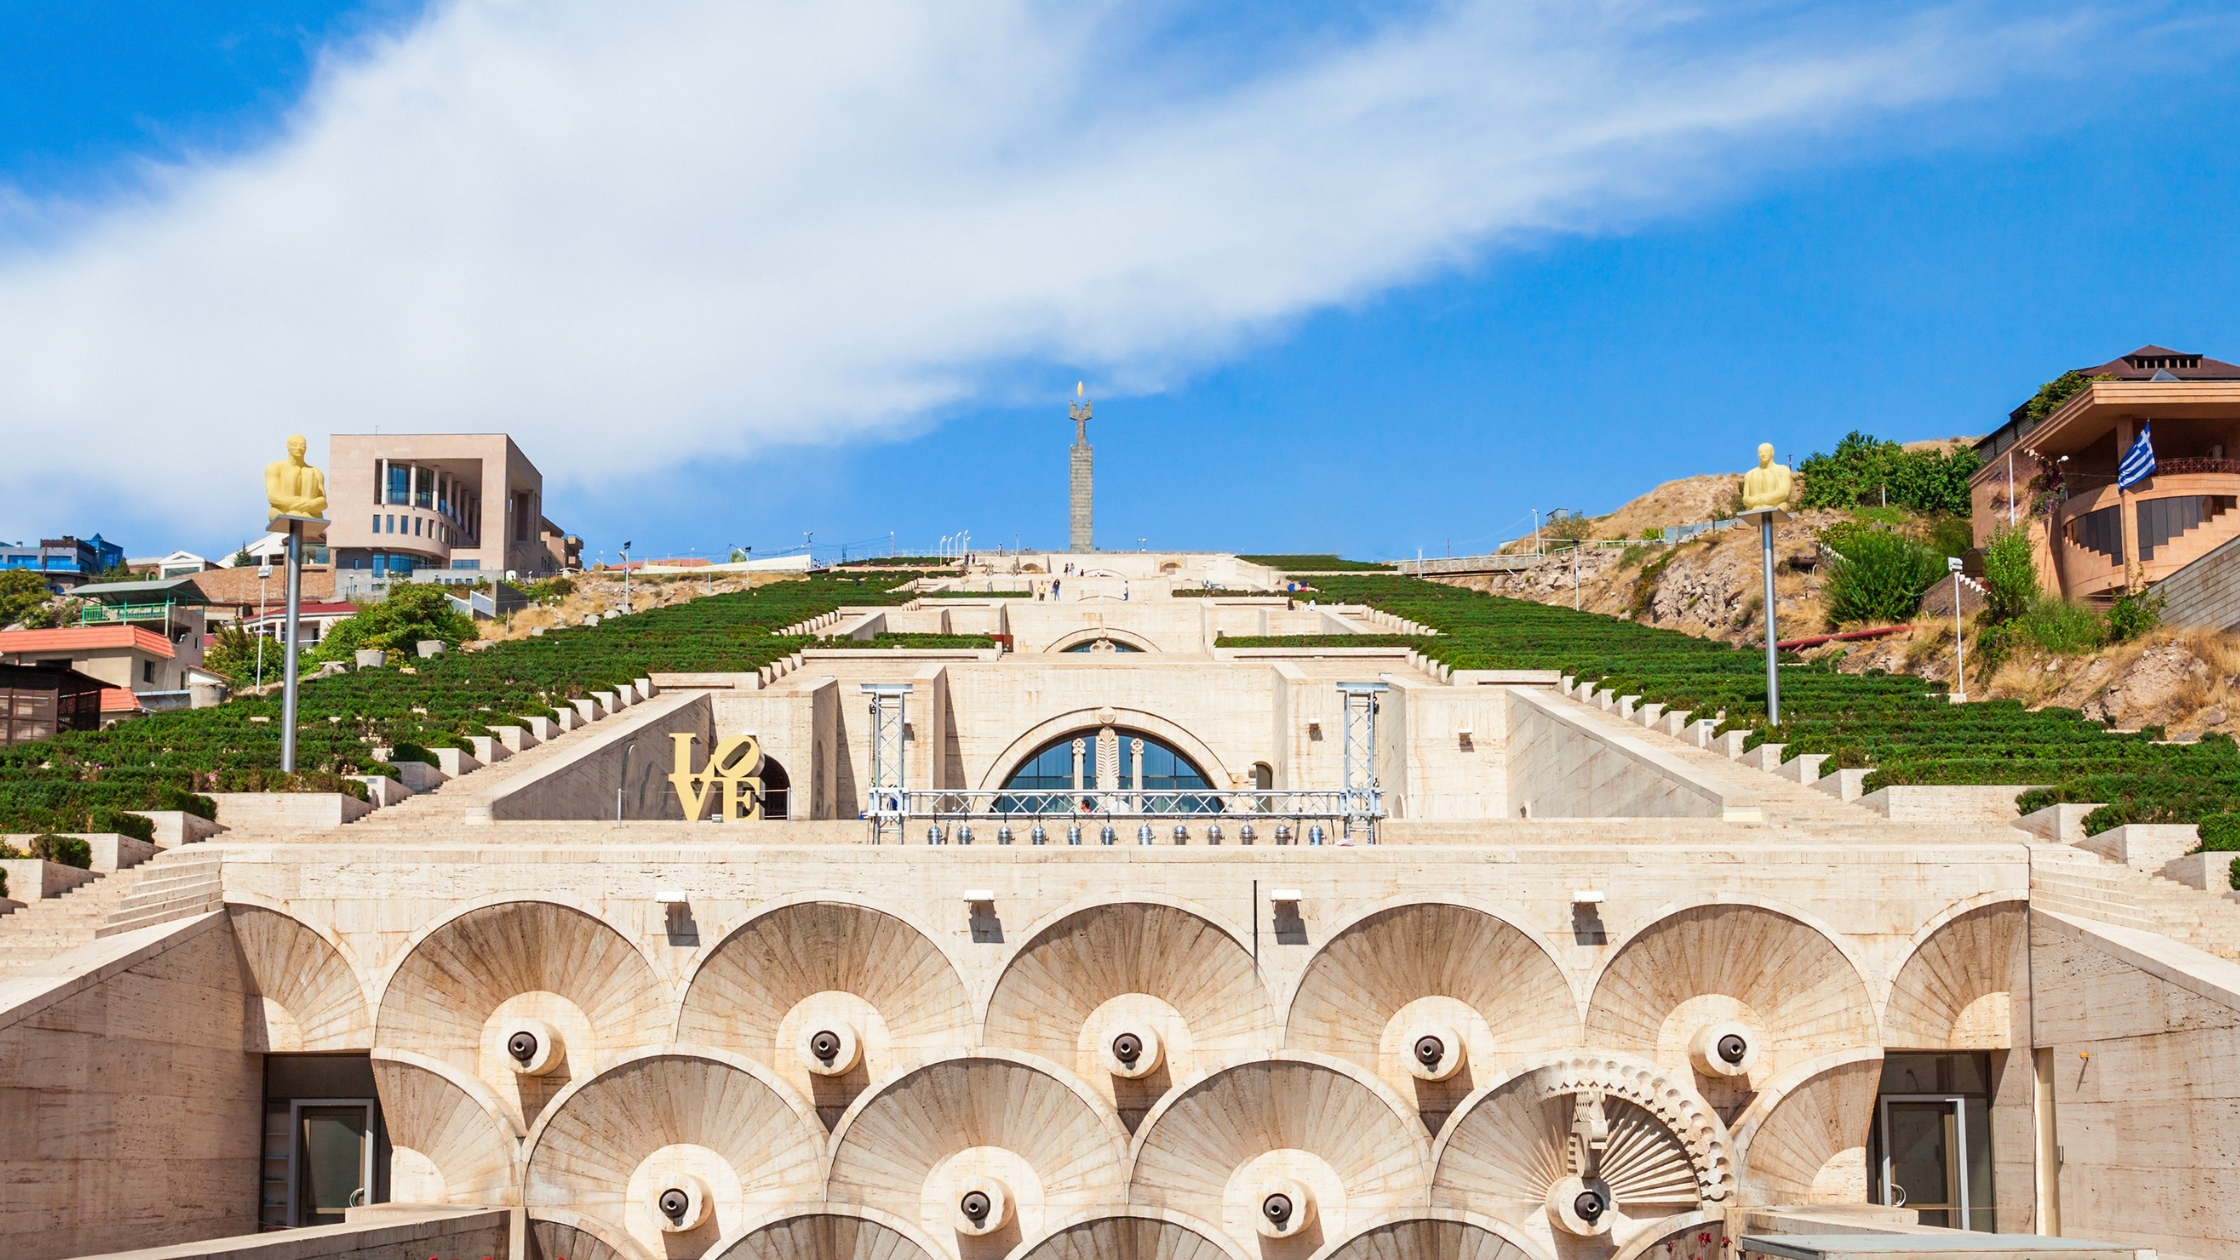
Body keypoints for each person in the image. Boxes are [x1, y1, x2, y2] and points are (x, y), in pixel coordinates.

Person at [265, 434, 328, 519]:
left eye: (302, 445)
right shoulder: (275, 467)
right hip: (282, 511)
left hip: (310, 514)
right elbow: (272, 496)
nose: (299, 448)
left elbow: (323, 502)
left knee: (308, 474)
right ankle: (295, 512)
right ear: (288, 446)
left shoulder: (315, 472)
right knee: (292, 473)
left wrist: (310, 504)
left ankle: (303, 512)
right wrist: (295, 503)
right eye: (295, 445)